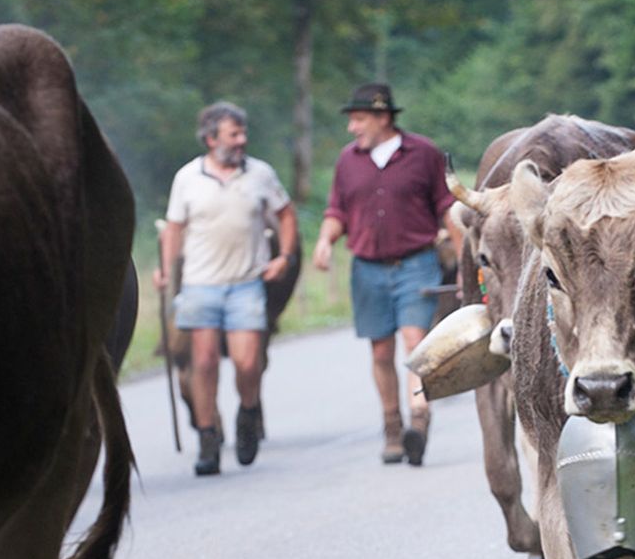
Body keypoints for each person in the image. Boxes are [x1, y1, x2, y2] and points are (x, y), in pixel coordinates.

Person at [312, 83, 463, 466]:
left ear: (383, 118)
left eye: (359, 119)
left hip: (416, 263)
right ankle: (392, 426)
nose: (352, 128)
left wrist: (465, 263)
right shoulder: (348, 161)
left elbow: (448, 210)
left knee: (416, 342)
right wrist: (325, 242)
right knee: (380, 351)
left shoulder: (423, 154)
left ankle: (419, 417)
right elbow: (337, 212)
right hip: (367, 269)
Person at [154, 101, 298, 477]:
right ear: (210, 138)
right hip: (201, 284)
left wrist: (284, 255)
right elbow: (174, 228)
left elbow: (285, 214)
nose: (242, 141)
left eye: (243, 134)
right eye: (234, 135)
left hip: (246, 283)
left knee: (248, 362)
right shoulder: (187, 178)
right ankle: (207, 438)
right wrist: (165, 270)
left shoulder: (260, 174)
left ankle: (248, 412)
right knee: (202, 364)